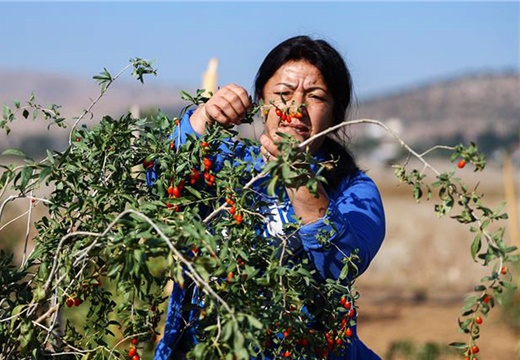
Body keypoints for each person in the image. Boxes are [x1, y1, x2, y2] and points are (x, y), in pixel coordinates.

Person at [154, 35, 386, 359]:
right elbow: (159, 178)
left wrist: (300, 179)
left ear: (335, 114)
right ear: (261, 102)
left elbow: (341, 263)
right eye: (283, 94)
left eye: (316, 97)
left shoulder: (354, 191)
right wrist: (203, 117)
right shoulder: (224, 165)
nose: (296, 109)